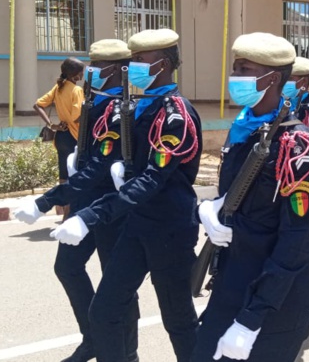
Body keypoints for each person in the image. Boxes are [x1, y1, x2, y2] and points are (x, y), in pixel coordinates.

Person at [50, 28, 203, 362]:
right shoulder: (140, 108)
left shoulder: (175, 114)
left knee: (178, 320)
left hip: (168, 227)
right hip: (136, 224)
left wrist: (91, 214)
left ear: (162, 63)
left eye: (139, 60)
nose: (132, 66)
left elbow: (153, 180)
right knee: (104, 310)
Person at [193, 33, 309, 362]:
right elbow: (234, 196)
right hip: (236, 271)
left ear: (271, 78)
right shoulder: (246, 127)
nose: (234, 77)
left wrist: (252, 318)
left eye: (244, 70)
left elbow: (297, 239)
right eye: (235, 68)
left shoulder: (297, 148)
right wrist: (207, 210)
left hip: (280, 290)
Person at [14, 40, 138, 362]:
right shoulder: (94, 103)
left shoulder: (120, 111)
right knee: (67, 267)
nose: (90, 71)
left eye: (98, 65)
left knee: (116, 283)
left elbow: (101, 166)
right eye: (90, 64)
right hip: (85, 200)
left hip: (110, 208)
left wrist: (46, 201)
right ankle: (93, 339)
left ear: (118, 71)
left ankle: (128, 351)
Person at [34, 57, 85, 217]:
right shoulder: (76, 91)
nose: (83, 75)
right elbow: (77, 117)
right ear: (76, 75)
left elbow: (38, 105)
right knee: (76, 176)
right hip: (75, 137)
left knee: (64, 175)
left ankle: (63, 210)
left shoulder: (58, 88)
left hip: (61, 137)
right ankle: (69, 214)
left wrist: (52, 125)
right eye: (81, 72)